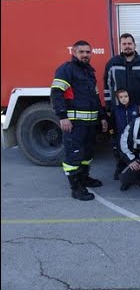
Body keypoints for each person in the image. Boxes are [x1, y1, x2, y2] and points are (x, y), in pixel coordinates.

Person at [51, 40, 108, 201]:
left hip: (89, 123)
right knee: (74, 155)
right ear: (74, 53)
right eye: (81, 52)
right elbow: (56, 92)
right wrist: (63, 116)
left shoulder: (89, 72)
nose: (85, 55)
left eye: (87, 52)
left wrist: (102, 116)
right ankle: (76, 188)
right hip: (74, 123)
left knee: (87, 153)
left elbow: (96, 98)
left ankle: (84, 178)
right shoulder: (67, 70)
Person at [103, 33, 140, 113]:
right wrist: (108, 107)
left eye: (129, 43)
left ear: (135, 45)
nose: (127, 46)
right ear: (120, 46)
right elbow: (107, 87)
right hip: (118, 110)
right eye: (124, 44)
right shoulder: (112, 64)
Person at [110, 88, 139, 180]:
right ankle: (120, 169)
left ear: (129, 97)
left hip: (134, 136)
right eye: (121, 97)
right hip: (120, 137)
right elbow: (112, 124)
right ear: (118, 98)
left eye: (125, 96)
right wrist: (113, 137)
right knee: (121, 154)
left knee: (134, 153)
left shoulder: (136, 108)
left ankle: (135, 171)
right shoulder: (116, 110)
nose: (123, 99)